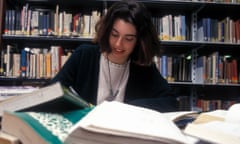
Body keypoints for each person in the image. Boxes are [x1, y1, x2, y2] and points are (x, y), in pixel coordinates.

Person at [50, 0, 177, 112]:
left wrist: (129, 108)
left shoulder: (143, 67)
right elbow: (51, 92)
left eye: (128, 39)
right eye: (114, 35)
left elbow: (171, 102)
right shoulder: (84, 55)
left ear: (139, 41)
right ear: (107, 31)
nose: (118, 44)